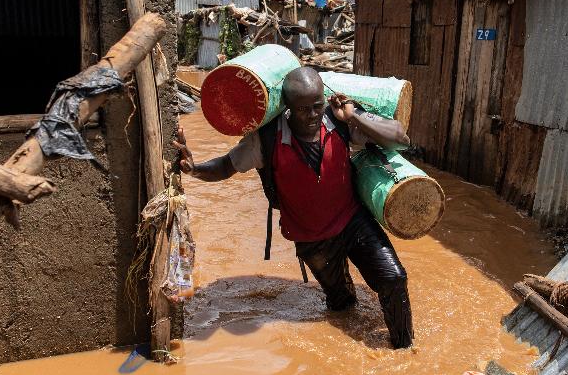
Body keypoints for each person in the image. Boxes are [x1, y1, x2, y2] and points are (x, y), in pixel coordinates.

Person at [173, 67, 415, 349]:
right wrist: (194, 169)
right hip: (313, 240)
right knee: (341, 304)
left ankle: (404, 350)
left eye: (317, 106)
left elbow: (400, 138)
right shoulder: (266, 140)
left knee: (394, 280)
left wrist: (354, 116)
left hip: (353, 221)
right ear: (287, 108)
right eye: (303, 110)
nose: (313, 115)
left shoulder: (339, 123)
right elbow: (226, 165)